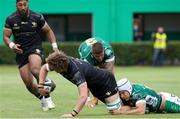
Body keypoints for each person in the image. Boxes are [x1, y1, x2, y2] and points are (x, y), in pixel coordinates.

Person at [3, 0, 60, 111]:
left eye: (25, 4)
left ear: (28, 3)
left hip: (35, 47)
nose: (23, 7)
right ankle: (43, 97)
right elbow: (5, 37)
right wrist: (12, 45)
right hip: (20, 51)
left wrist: (55, 47)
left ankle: (47, 91)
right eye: (20, 5)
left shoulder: (37, 16)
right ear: (16, 5)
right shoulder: (11, 19)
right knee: (28, 83)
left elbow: (48, 31)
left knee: (34, 69)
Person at [38, 51, 122, 117]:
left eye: (54, 69)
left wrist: (72, 114)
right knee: (115, 108)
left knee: (116, 111)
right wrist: (40, 86)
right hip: (94, 86)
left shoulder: (76, 72)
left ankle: (133, 94)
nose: (53, 70)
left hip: (106, 81)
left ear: (61, 67)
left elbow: (83, 96)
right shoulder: (61, 62)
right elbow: (44, 68)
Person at [78, 37, 115, 107]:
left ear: (104, 50)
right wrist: (87, 99)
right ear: (92, 54)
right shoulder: (86, 57)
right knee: (91, 77)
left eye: (101, 55)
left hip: (99, 47)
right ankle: (93, 97)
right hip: (83, 47)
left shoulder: (109, 51)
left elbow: (109, 75)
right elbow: (85, 79)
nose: (100, 58)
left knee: (108, 75)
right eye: (97, 56)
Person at [110, 78, 180, 115]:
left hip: (167, 102)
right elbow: (127, 107)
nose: (121, 96)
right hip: (157, 107)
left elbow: (141, 111)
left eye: (123, 93)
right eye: (120, 93)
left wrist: (121, 113)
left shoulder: (138, 94)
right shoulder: (129, 92)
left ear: (128, 89)